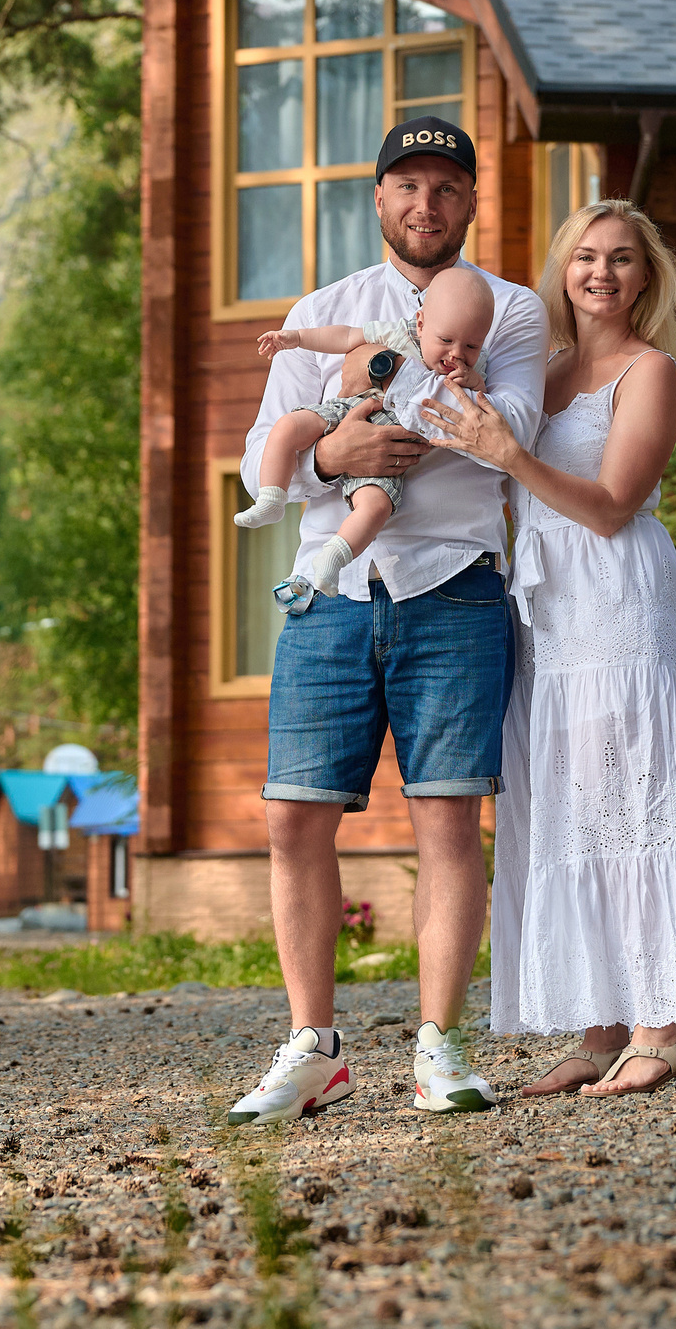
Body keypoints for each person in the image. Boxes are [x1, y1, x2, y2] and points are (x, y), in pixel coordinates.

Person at [225, 115, 549, 1126]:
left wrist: (389, 401)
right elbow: (258, 456)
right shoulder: (322, 309)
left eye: (445, 187)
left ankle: (438, 1046)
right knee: (293, 817)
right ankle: (313, 1047)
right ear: (378, 200)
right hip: (328, 594)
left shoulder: (515, 312)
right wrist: (331, 461)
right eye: (407, 186)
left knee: (448, 817)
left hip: (454, 585)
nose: (426, 203)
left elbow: (516, 434)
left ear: (468, 203)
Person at [421, 198, 676, 1096]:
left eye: (620, 259)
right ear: (561, 272)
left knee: (634, 790)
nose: (600, 272)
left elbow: (612, 505)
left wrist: (511, 456)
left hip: (616, 597)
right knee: (570, 801)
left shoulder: (653, 373)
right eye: (583, 257)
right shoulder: (543, 368)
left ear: (647, 278)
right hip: (547, 609)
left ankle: (663, 1024)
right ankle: (600, 1024)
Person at [236, 266, 497, 601]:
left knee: (375, 507)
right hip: (350, 410)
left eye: (471, 345)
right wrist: (298, 339)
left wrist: (475, 382)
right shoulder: (398, 334)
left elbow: (479, 415)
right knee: (288, 426)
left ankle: (334, 557)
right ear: (420, 323)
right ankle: (272, 499)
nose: (456, 354)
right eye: (445, 340)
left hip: (392, 453)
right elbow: (345, 336)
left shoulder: (472, 369)